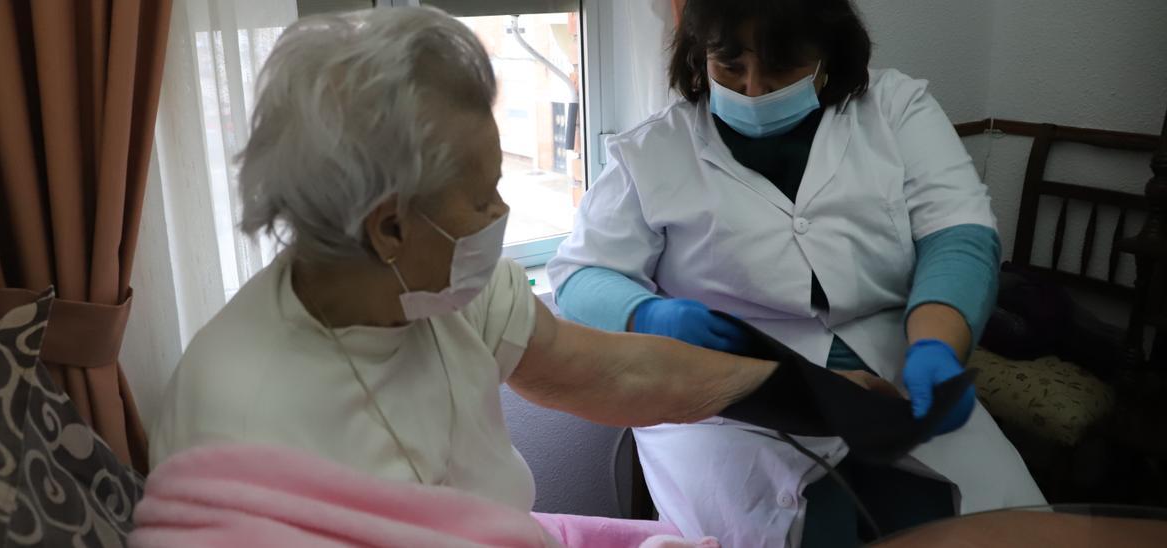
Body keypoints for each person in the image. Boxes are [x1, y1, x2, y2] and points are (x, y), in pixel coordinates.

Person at [149, 6, 889, 517]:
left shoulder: (444, 292)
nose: (502, 214)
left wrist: (820, 395)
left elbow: (612, 372)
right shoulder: (233, 421)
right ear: (389, 229)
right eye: (482, 196)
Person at [547, 1, 1046, 547]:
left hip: (896, 372)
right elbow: (581, 273)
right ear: (698, 57)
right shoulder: (652, 150)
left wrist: (938, 346)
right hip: (729, 402)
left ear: (828, 55)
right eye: (729, 66)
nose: (753, 89)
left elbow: (958, 236)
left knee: (991, 529)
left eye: (781, 66)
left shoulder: (897, 109)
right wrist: (648, 315)